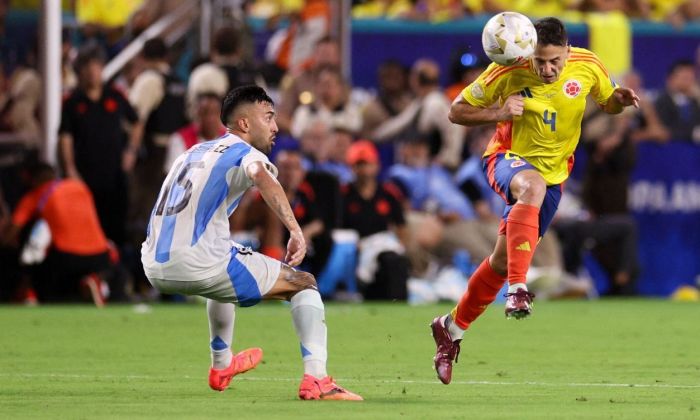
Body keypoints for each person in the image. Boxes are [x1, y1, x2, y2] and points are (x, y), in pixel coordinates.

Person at [429, 17, 640, 384]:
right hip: (506, 159)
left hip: (555, 174)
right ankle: (518, 291)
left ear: (567, 51)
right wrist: (498, 112)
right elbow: (456, 110)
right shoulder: (508, 69)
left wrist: (618, 102)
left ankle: (451, 328)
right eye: (540, 61)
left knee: (501, 260)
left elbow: (607, 102)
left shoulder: (588, 64)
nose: (547, 69)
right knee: (532, 188)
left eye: (554, 61)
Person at [140, 85, 362, 400]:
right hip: (196, 261)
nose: (275, 127)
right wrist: (296, 230)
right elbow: (261, 175)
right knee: (304, 283)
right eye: (268, 117)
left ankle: (222, 364)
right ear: (244, 124)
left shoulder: (191, 153)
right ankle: (317, 380)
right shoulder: (246, 153)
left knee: (224, 263)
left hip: (153, 263)